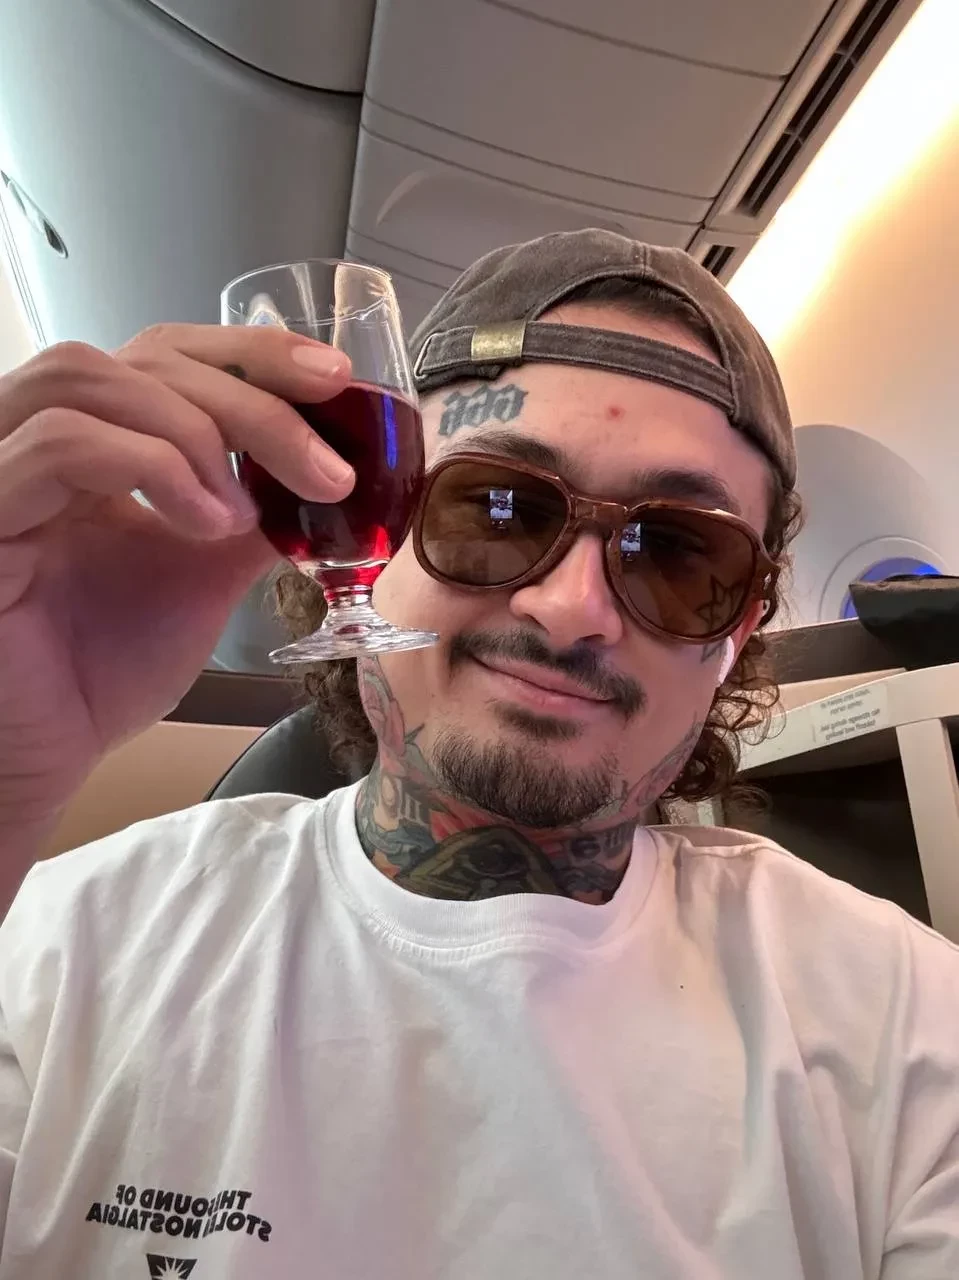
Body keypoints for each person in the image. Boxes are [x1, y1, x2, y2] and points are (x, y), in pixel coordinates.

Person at [0, 230, 955, 1279]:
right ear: (366, 525)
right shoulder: (60, 951)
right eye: (495, 508)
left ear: (740, 629)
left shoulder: (903, 1024)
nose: (571, 608)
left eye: (679, 553)